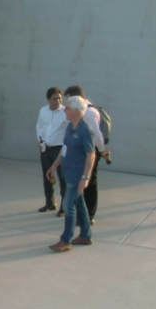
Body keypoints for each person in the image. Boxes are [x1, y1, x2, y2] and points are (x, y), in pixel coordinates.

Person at [47, 98, 95, 251]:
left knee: (68, 206)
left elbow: (91, 156)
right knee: (79, 205)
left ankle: (66, 240)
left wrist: (85, 178)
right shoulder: (69, 127)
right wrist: (54, 166)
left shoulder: (86, 131)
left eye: (67, 108)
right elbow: (65, 149)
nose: (64, 110)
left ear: (76, 111)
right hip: (67, 174)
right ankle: (85, 236)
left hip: (77, 176)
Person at [64, 87, 105, 223]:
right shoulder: (78, 117)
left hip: (90, 152)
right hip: (81, 151)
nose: (65, 106)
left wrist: (101, 152)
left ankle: (89, 216)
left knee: (89, 182)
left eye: (68, 101)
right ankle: (82, 216)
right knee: (79, 185)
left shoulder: (88, 113)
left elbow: (97, 135)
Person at [36, 88, 66, 213]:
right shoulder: (43, 110)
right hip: (46, 149)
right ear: (49, 99)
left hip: (59, 149)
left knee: (62, 179)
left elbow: (70, 130)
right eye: (55, 98)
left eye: (60, 98)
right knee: (47, 176)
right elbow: (39, 126)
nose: (58, 101)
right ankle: (50, 203)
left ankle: (63, 208)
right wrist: (41, 141)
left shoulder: (65, 112)